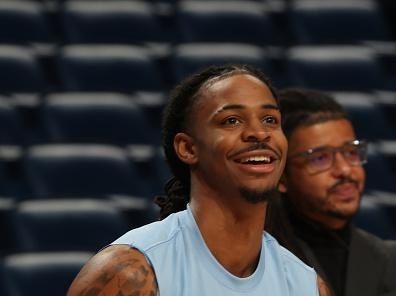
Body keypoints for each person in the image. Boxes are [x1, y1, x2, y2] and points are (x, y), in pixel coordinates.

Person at [67, 65, 321, 295]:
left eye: (270, 120)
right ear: (188, 148)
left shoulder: (305, 285)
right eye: (231, 121)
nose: (259, 133)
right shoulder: (128, 272)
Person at [265, 88, 396, 296]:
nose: (345, 170)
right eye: (320, 158)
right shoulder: (255, 261)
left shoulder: (390, 259)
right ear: (280, 176)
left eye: (351, 152)